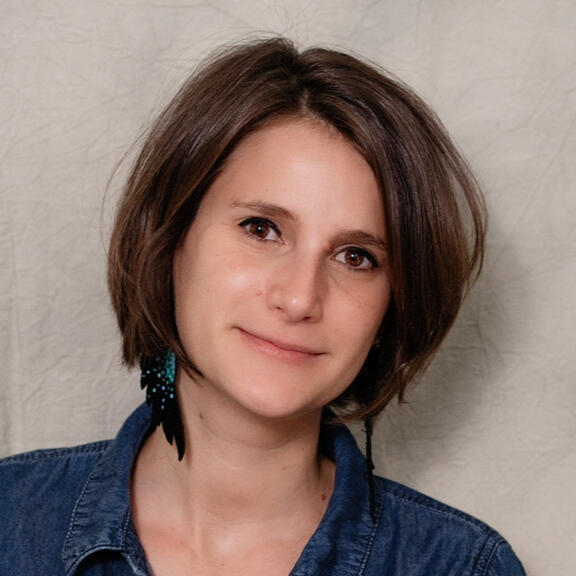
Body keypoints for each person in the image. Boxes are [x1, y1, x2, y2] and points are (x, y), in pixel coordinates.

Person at [0, 37, 525, 575]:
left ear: (392, 309)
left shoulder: (466, 567)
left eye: (356, 257)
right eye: (261, 228)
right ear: (170, 237)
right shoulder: (7, 520)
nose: (299, 298)